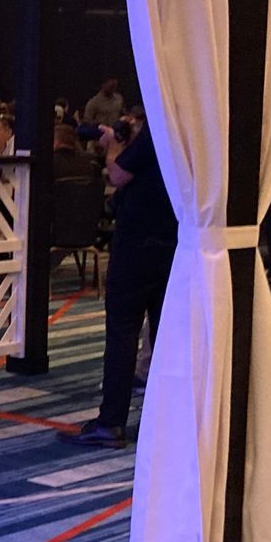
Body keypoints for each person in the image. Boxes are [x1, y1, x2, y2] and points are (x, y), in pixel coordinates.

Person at [73, 112, 177, 449]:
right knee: (166, 339)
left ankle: (111, 421)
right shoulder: (193, 133)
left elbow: (118, 175)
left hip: (137, 246)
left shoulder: (158, 132)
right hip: (176, 244)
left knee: (122, 333)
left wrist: (114, 147)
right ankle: (165, 422)